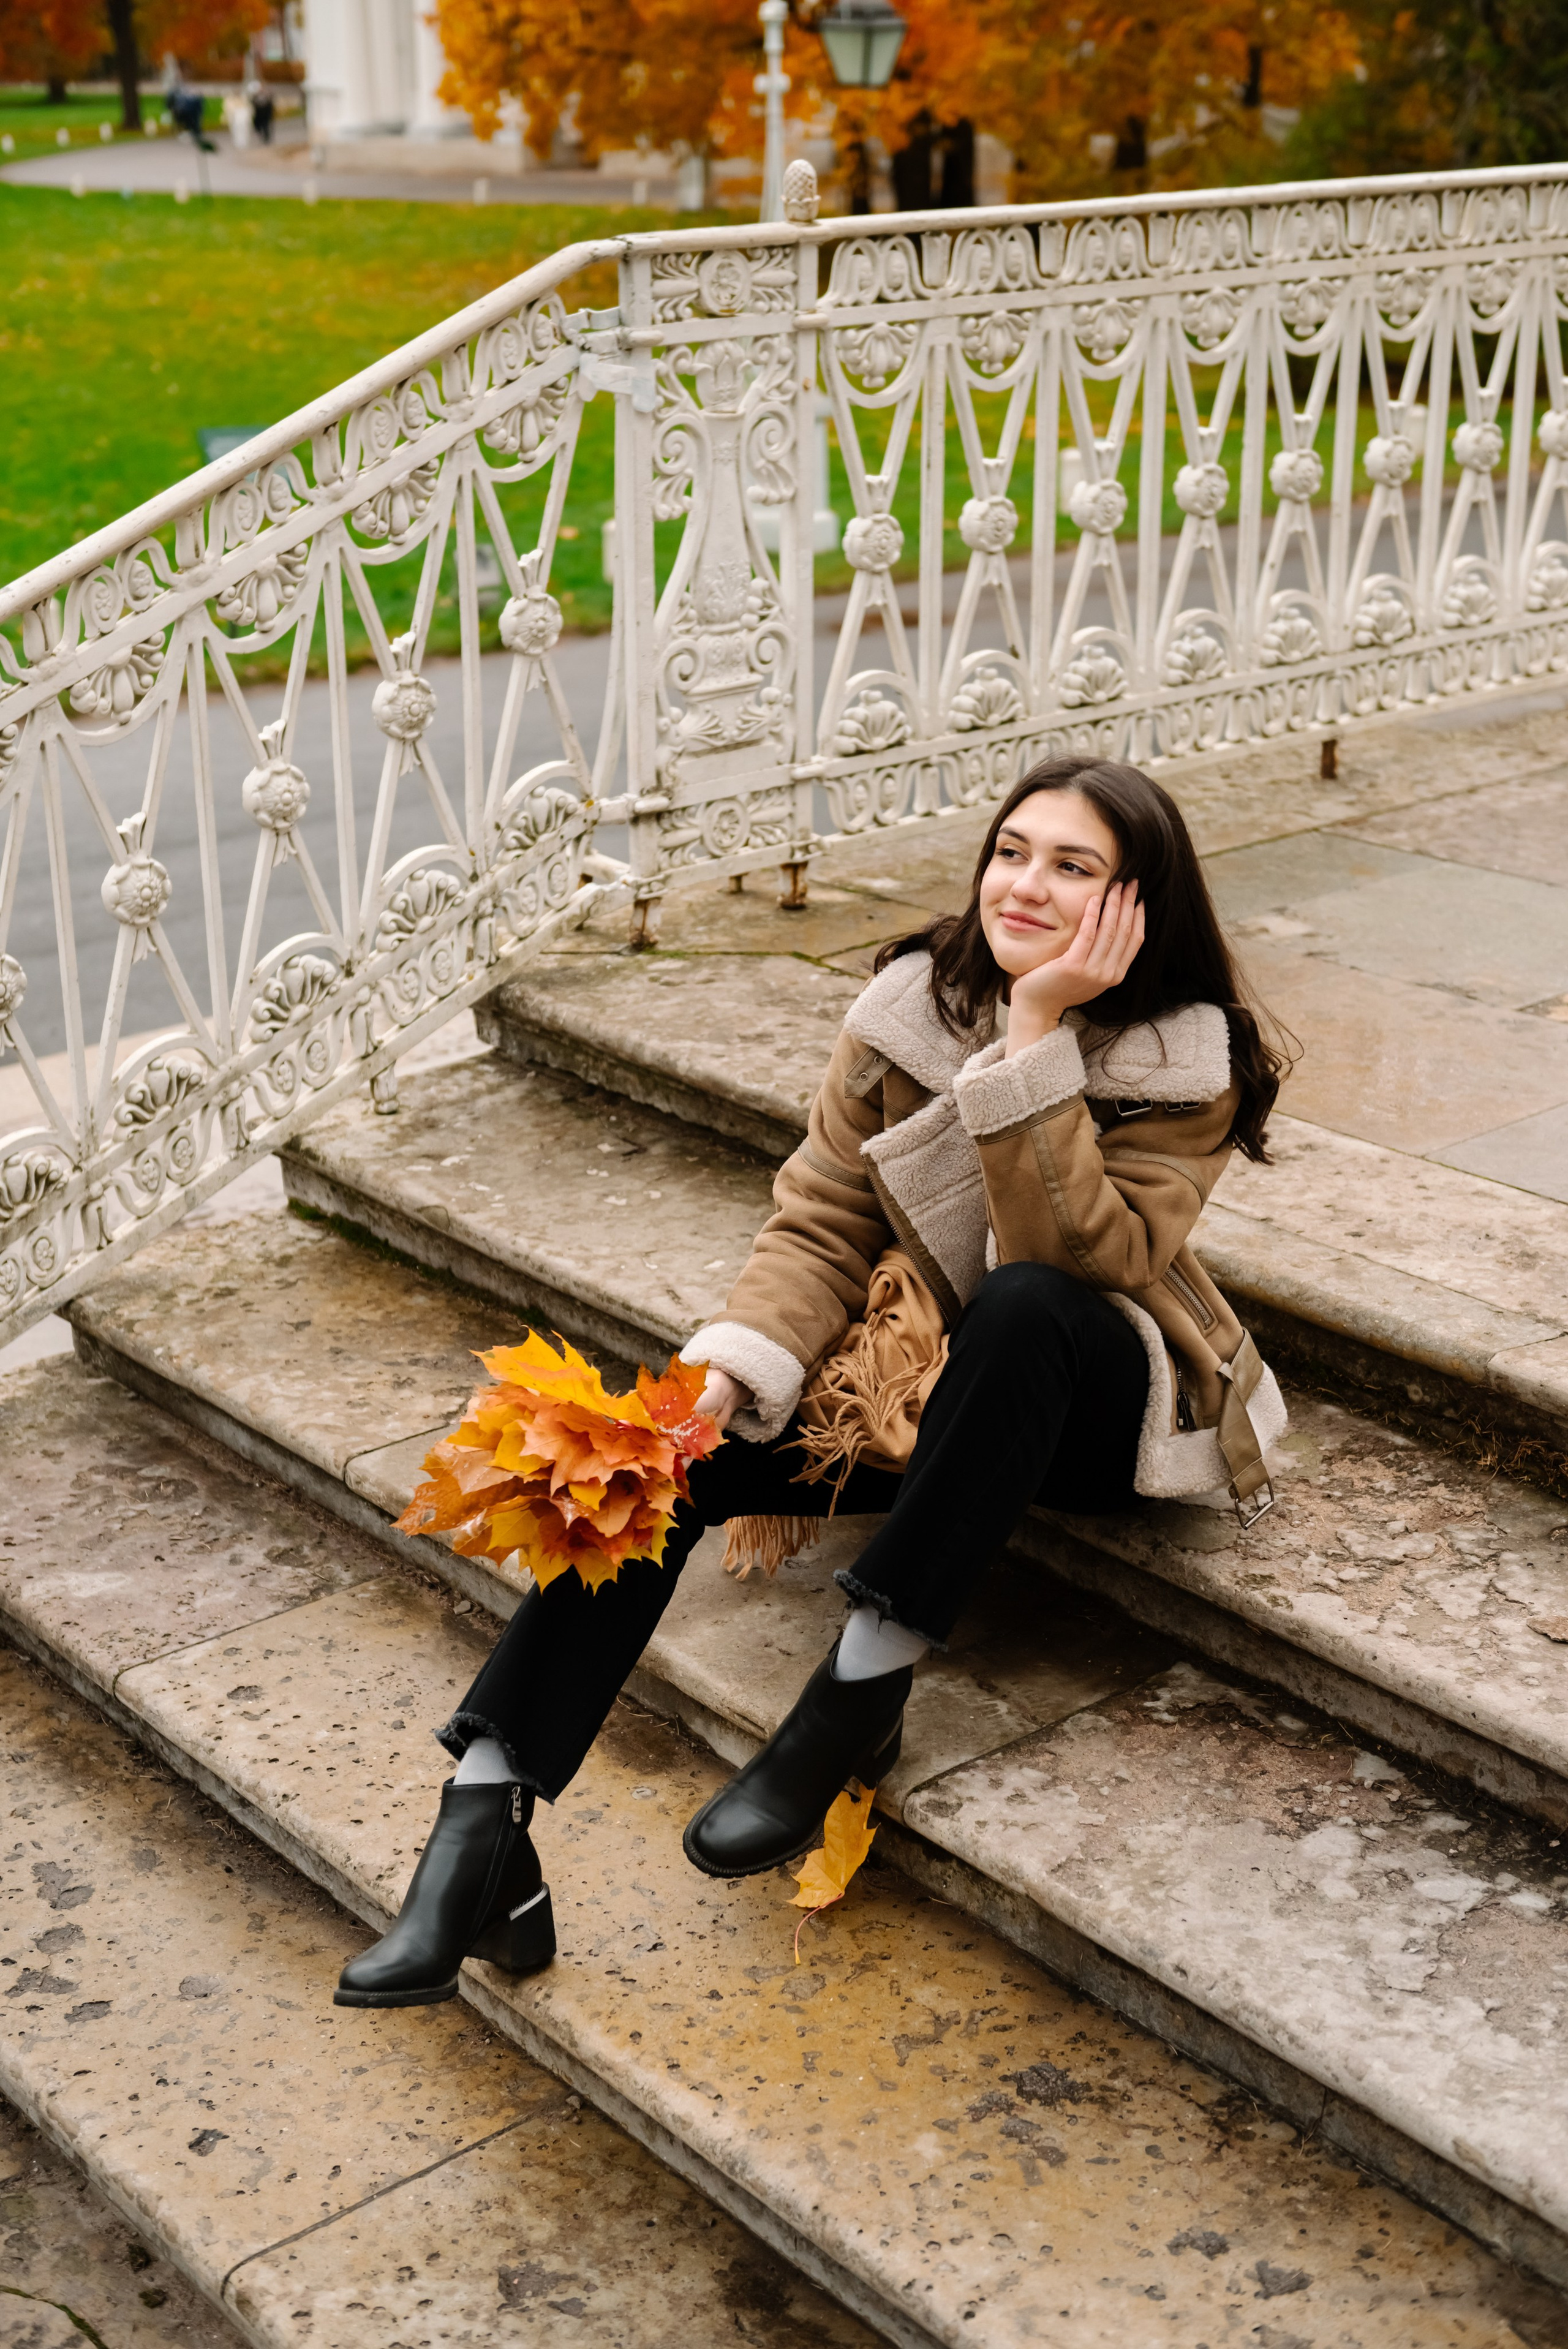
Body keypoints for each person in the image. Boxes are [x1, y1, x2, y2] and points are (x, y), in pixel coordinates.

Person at [335, 755, 1291, 2008]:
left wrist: (1036, 1036)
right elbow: (822, 1224)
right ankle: (477, 1825)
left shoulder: (1186, 1058)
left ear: (1135, 904)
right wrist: (726, 1377)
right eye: (1011, 851)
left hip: (1093, 1396)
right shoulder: (909, 1008)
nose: (1025, 884)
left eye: (1072, 867)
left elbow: (1082, 1256)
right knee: (661, 1461)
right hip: (907, 1384)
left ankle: (857, 1685)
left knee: (1022, 1304)